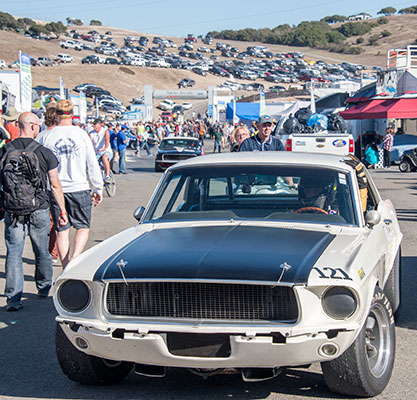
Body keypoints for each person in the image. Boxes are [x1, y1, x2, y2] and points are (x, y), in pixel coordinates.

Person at [0, 112, 68, 311]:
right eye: (38, 125)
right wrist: (62, 210)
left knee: (14, 251)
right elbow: (55, 185)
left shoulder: (5, 150)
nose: (39, 128)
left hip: (12, 209)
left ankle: (13, 298)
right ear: (31, 126)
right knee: (41, 250)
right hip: (38, 207)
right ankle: (44, 287)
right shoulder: (44, 152)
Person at [37, 99, 103, 268]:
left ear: (56, 114)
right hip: (79, 186)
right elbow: (92, 163)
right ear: (72, 115)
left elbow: (38, 165)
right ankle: (75, 258)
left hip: (55, 188)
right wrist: (98, 187)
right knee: (82, 226)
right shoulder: (81, 134)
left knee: (62, 229)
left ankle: (66, 265)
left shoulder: (45, 136)